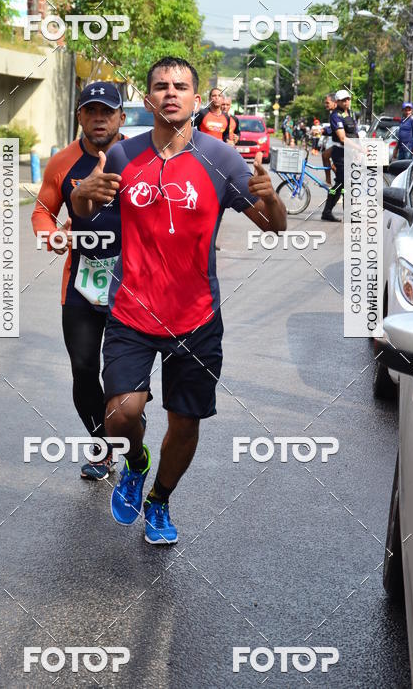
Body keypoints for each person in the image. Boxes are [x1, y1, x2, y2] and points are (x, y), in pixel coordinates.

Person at [72, 55, 286, 544]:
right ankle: (134, 462)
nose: (171, 92)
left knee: (185, 422)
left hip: (196, 319)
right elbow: (85, 212)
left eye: (181, 86)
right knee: (121, 413)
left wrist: (271, 198)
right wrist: (83, 194)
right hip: (131, 310)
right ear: (148, 98)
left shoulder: (224, 160)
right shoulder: (123, 157)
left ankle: (159, 501)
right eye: (161, 86)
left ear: (196, 98)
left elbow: (274, 226)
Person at [31, 82, 127, 480]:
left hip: (132, 282)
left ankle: (127, 424)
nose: (99, 118)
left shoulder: (139, 157)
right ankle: (102, 446)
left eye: (107, 111)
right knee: (84, 370)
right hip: (81, 283)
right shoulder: (62, 163)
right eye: (91, 110)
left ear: (121, 117)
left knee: (122, 376)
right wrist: (50, 236)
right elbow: (41, 212)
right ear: (80, 116)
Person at [321, 88, 359, 222]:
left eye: (348, 99)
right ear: (337, 102)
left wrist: (356, 150)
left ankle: (327, 211)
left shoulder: (351, 114)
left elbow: (354, 134)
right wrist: (360, 149)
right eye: (343, 100)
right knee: (346, 184)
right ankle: (348, 215)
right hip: (340, 154)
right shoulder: (335, 115)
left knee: (340, 185)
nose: (347, 102)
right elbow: (342, 138)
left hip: (350, 153)